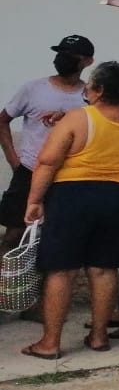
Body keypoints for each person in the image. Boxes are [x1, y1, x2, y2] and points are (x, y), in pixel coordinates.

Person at [20, 62, 119, 359]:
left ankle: (50, 343)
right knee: (105, 268)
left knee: (62, 269)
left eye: (90, 86)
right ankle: (99, 337)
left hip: (73, 196)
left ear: (98, 90)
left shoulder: (77, 118)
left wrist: (34, 200)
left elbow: (47, 161)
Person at [0, 34, 96, 252]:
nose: (63, 59)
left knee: (57, 238)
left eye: (71, 56)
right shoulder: (33, 89)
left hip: (68, 177)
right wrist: (14, 160)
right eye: (61, 54)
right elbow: (3, 120)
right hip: (29, 171)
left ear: (87, 61)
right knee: (13, 235)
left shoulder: (90, 96)